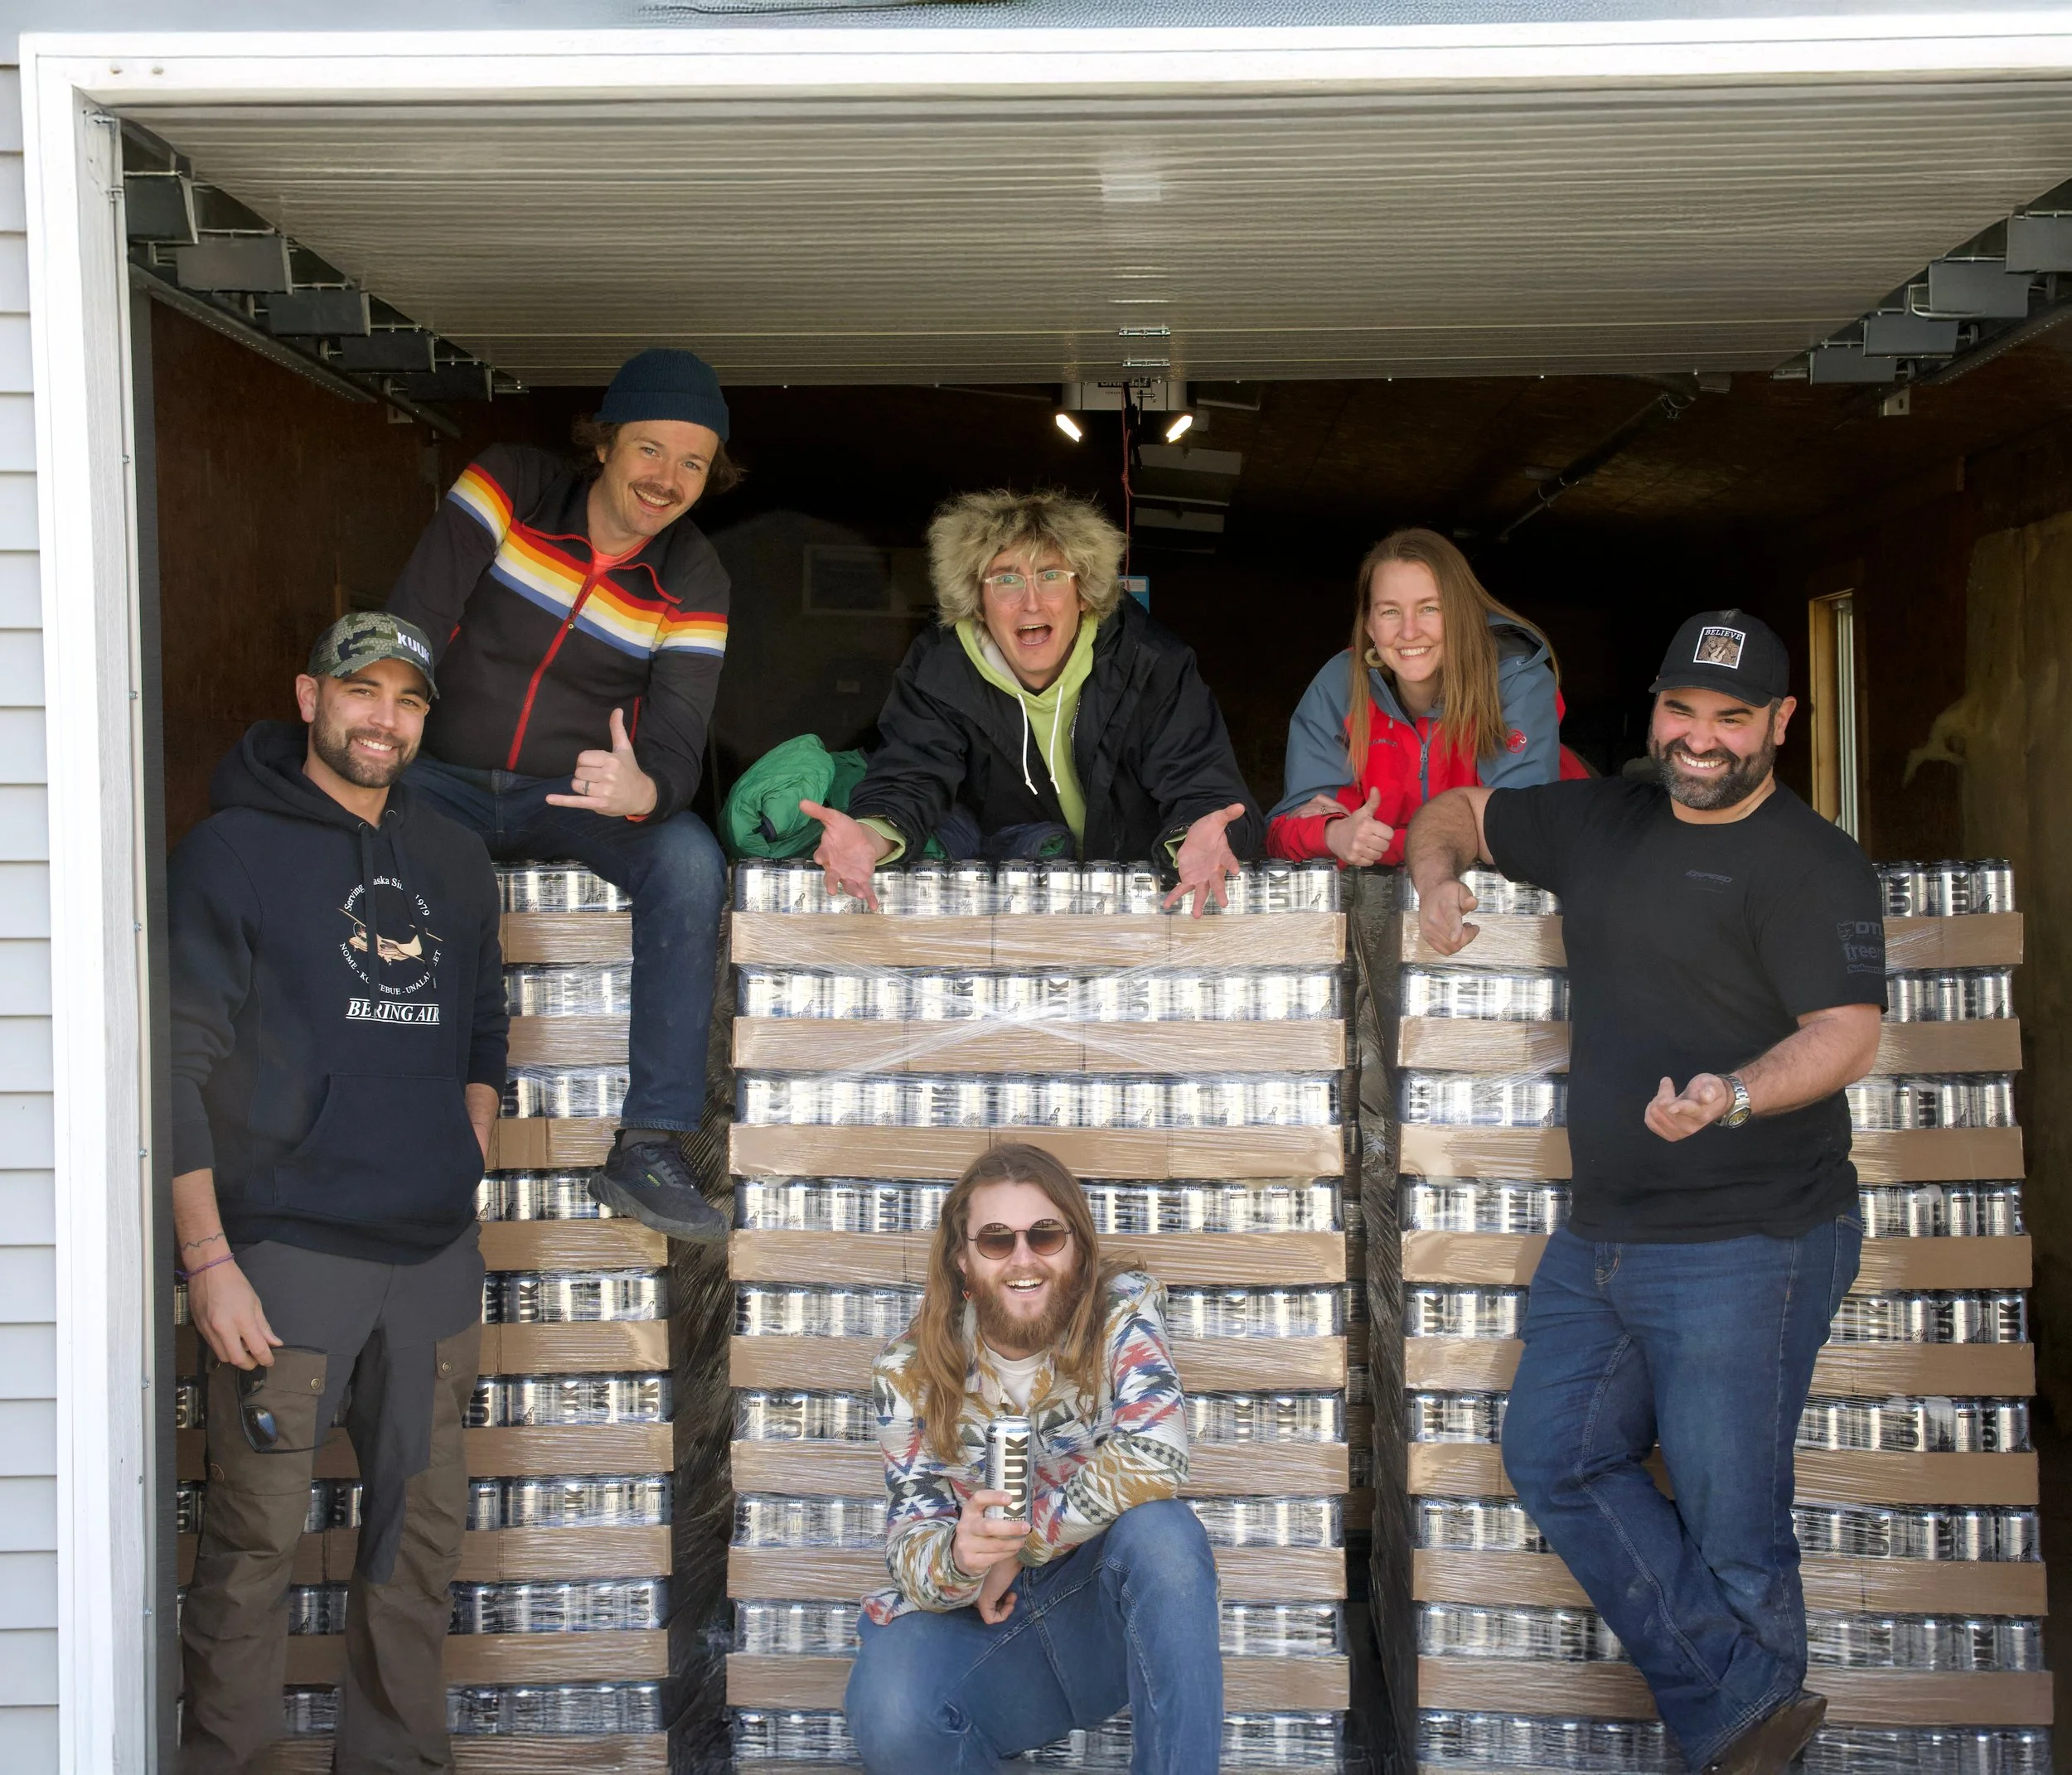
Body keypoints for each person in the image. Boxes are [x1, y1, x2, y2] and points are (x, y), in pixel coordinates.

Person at [1405, 610, 1886, 1775]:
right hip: (1606, 1234)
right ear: (1656, 713)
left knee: (1735, 1536)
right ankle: (1746, 1713)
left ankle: (1738, 1730)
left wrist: (1730, 1091)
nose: (1704, 739)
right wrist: (1432, 880)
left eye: (1733, 718)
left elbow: (1847, 1034)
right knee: (1555, 1453)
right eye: (1684, 711)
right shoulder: (1598, 820)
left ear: (1780, 723)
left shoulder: (1814, 861)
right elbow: (1459, 810)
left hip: (1755, 1237)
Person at [169, 613, 508, 1773]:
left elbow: (480, 1027)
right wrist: (209, 1259)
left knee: (417, 1547)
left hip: (432, 1264)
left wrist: (459, 1158)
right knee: (254, 1544)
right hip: (289, 1263)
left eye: (408, 701)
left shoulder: (457, 859)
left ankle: (397, 1761)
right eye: (362, 691)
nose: (384, 718)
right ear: (309, 692)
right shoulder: (231, 852)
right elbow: (181, 1061)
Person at [386, 347, 738, 1240]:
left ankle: (649, 1142)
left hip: (566, 797)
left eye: (693, 462)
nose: (667, 479)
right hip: (441, 777)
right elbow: (414, 619)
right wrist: (392, 727)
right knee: (331, 835)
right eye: (651, 450)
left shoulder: (694, 577)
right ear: (606, 441)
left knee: (691, 859)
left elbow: (677, 749)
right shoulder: (510, 484)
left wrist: (643, 789)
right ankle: (371, 1102)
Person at [845, 1144, 1221, 1773]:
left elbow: (1157, 1454)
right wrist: (963, 1558)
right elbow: (912, 1537)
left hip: (1098, 1614)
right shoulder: (907, 1372)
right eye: (996, 1241)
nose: (1024, 1259)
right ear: (963, 1261)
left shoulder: (1120, 1312)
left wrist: (1020, 1545)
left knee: (1165, 1537)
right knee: (890, 1707)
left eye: (1045, 1236)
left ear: (1075, 1249)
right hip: (987, 1633)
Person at [805, 489, 1262, 914]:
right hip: (1008, 906)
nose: (1031, 603)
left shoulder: (1151, 664)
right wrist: (870, 834)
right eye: (1006, 579)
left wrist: (1203, 832)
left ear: (1083, 594)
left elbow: (1201, 780)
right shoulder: (941, 670)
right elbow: (911, 774)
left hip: (1145, 899)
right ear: (977, 600)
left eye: (1051, 576)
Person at [1268, 528, 1581, 868]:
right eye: (1390, 612)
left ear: (1462, 615)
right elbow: (1284, 830)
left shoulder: (1515, 679)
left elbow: (1515, 834)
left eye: (1429, 608)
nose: (1409, 631)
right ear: (1370, 626)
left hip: (1546, 883)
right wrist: (1333, 835)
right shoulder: (1339, 685)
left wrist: (1370, 843)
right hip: (1403, 894)